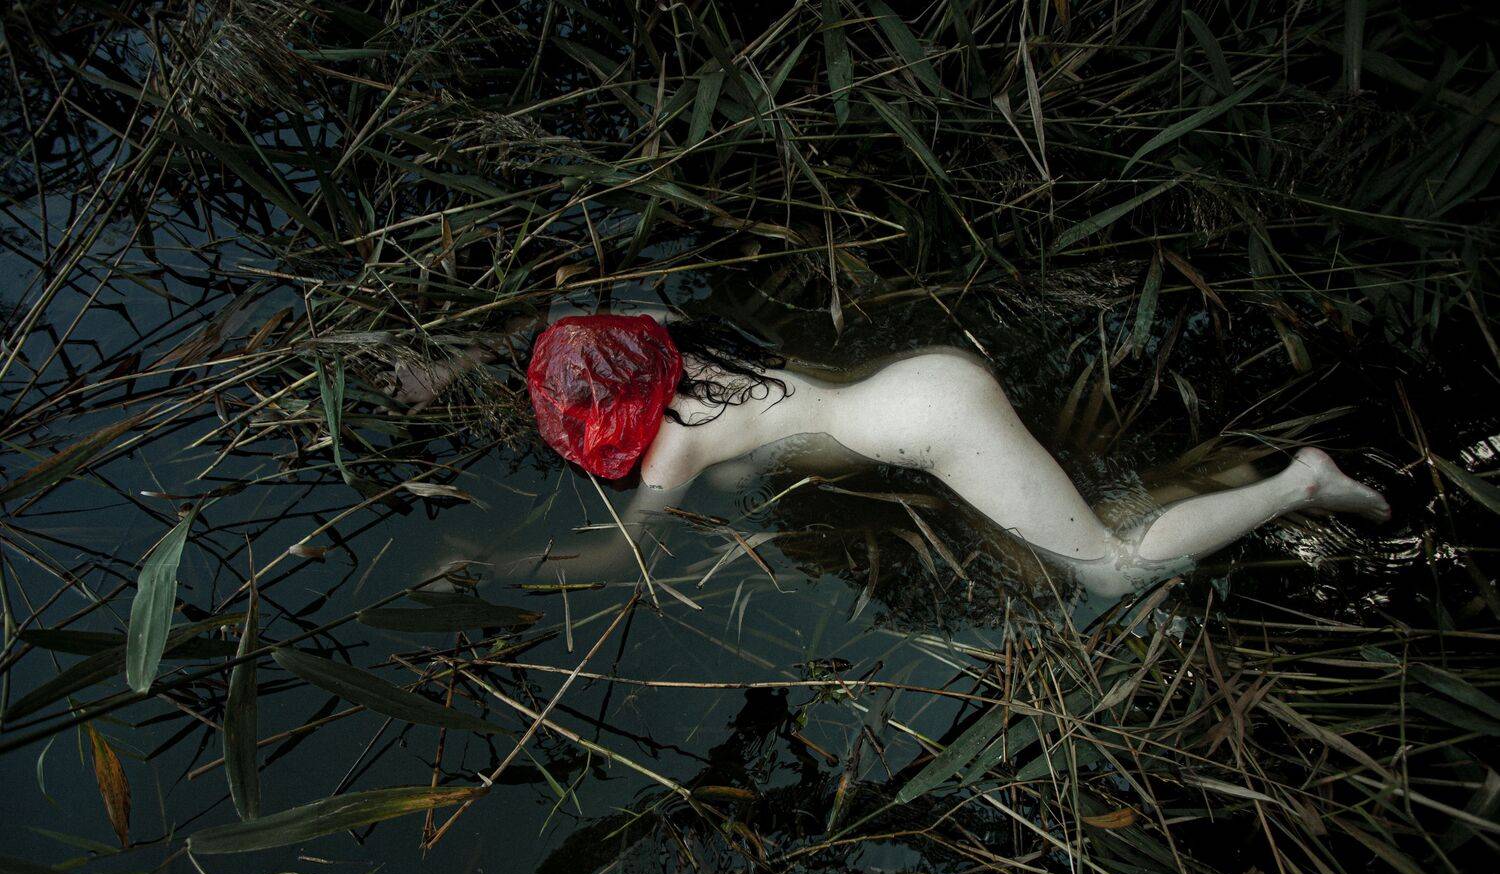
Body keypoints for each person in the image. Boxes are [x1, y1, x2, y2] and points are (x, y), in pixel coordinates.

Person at [520, 313, 1390, 599]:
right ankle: (1226, 480)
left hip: (938, 428)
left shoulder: (671, 453)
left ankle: (1298, 483)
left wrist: (497, 568)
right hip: (920, 378)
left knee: (1111, 571)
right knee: (1076, 523)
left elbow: (619, 557)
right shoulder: (677, 336)